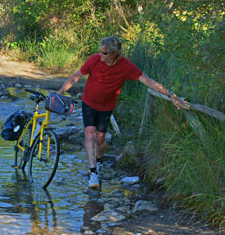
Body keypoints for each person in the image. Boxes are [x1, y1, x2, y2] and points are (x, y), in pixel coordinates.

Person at [57, 36, 190, 188]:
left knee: (100, 139)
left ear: (114, 54)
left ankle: (98, 162)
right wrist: (60, 91)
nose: (101, 55)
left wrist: (171, 94)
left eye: (104, 53)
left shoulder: (125, 66)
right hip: (88, 102)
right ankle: (93, 173)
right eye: (100, 51)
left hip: (106, 107)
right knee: (89, 133)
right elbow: (76, 76)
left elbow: (148, 81)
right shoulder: (94, 60)